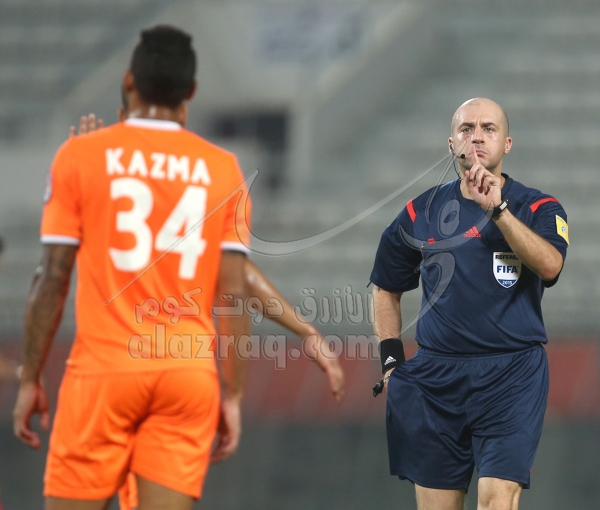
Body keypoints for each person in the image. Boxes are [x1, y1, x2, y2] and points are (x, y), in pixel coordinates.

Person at [13, 25, 253, 510]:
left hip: (105, 369)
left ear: (128, 82)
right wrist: (232, 394)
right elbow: (234, 293)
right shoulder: (223, 168)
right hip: (186, 373)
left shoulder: (81, 155)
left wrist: (29, 377)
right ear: (190, 92)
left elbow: (52, 278)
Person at [69, 114, 344, 510]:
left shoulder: (115, 181)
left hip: (109, 367)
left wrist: (83, 167)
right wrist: (304, 334)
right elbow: (236, 277)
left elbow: (59, 261)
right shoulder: (196, 184)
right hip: (180, 371)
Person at [370, 98, 569, 510]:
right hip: (436, 378)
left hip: (511, 374)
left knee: (497, 500)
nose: (476, 136)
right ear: (451, 144)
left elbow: (551, 266)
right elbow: (385, 287)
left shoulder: (539, 207)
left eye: (488, 128)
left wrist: (498, 211)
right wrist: (390, 360)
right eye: (466, 129)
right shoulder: (420, 211)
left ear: (507, 143)